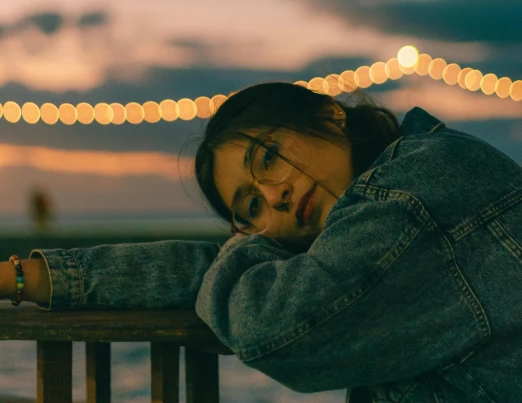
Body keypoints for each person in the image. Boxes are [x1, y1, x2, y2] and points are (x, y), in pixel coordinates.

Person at [1, 81, 521, 403]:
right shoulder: (375, 221)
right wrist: (25, 277)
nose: (273, 197)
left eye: (267, 158)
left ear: (329, 114)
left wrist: (244, 243)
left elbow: (270, 322)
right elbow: (218, 271)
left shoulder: (416, 191)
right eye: (250, 206)